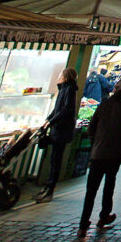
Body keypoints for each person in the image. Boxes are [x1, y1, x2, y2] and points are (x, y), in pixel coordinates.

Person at [77, 77, 121, 237]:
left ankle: (83, 224)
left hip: (98, 153)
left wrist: (95, 143)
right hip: (114, 153)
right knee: (109, 185)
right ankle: (104, 215)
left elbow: (91, 128)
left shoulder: (103, 105)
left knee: (91, 190)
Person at [35, 66, 79, 202]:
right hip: (58, 129)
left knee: (56, 160)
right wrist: (48, 120)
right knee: (54, 159)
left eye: (61, 74)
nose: (59, 76)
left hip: (61, 130)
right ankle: (48, 187)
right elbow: (57, 109)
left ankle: (50, 189)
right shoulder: (64, 89)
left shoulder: (69, 89)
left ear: (65, 77)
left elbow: (66, 109)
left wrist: (51, 121)